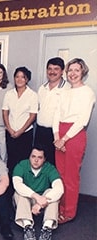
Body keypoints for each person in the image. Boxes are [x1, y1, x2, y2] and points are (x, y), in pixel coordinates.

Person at [52, 58, 96, 224]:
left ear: (83, 72)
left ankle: (69, 212)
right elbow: (56, 114)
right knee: (60, 175)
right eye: (70, 70)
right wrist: (57, 137)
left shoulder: (88, 92)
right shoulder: (63, 91)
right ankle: (60, 207)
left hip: (75, 135)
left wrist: (64, 139)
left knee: (71, 176)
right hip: (60, 135)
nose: (73, 73)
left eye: (77, 70)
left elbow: (83, 120)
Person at [12, 145, 64, 240]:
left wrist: (40, 204)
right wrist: (36, 196)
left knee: (51, 192)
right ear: (29, 157)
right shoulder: (21, 165)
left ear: (44, 159)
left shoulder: (50, 168)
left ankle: (47, 228)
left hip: (43, 203)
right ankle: (28, 227)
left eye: (39, 157)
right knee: (19, 192)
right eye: (33, 156)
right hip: (27, 201)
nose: (36, 160)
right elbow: (17, 184)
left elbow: (59, 188)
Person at [2, 66, 38, 173]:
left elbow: (32, 116)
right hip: (10, 133)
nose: (19, 79)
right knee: (11, 160)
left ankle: (21, 187)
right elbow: (5, 112)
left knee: (23, 161)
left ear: (27, 79)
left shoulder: (32, 95)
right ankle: (10, 187)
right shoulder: (9, 94)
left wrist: (20, 131)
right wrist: (9, 129)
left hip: (25, 134)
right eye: (17, 76)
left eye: (23, 77)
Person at [35, 57, 70, 166]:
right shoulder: (42, 88)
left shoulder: (68, 89)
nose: (52, 72)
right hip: (40, 131)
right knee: (38, 162)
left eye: (56, 69)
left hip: (57, 134)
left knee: (54, 164)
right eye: (49, 69)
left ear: (62, 71)